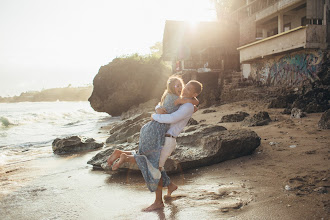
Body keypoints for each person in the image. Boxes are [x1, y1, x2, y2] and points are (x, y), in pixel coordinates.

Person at [106, 76, 199, 210]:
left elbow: (172, 117)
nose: (184, 88)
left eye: (188, 88)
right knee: (153, 165)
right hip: (161, 136)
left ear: (194, 93)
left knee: (154, 167)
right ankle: (167, 189)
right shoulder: (183, 101)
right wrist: (157, 109)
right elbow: (163, 105)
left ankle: (159, 201)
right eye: (185, 85)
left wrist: (154, 115)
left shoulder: (188, 105)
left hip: (166, 139)